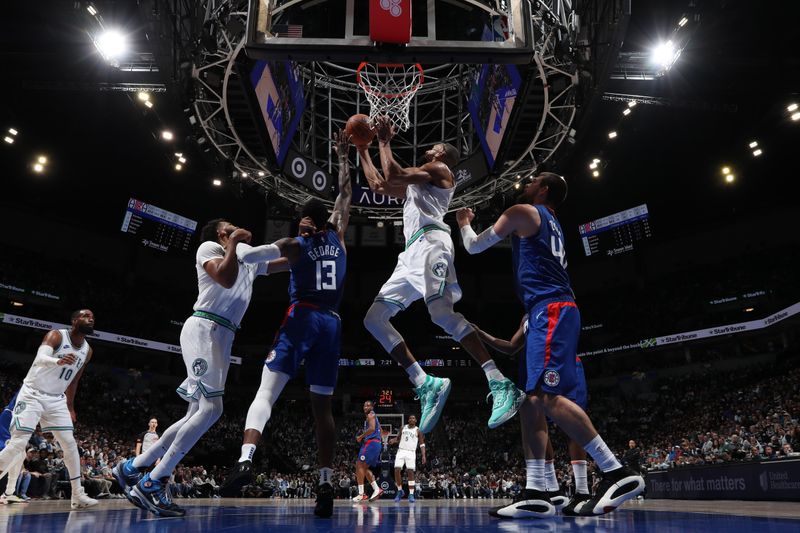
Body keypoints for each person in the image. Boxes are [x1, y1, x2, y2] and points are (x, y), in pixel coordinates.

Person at [456, 172, 644, 518]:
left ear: (543, 190)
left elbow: (473, 246)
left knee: (544, 397)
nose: (525, 183)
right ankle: (536, 491)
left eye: (532, 180)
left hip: (551, 308)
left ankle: (616, 471)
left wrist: (466, 222)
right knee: (531, 403)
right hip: (546, 309)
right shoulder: (551, 221)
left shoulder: (525, 211)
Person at [359, 115, 523, 434]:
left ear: (441, 155)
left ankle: (501, 382)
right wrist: (364, 149)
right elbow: (380, 183)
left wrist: (383, 141)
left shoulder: (440, 170)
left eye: (433, 147)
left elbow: (392, 171)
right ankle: (425, 382)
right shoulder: (419, 185)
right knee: (373, 319)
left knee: (440, 313)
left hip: (433, 243)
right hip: (411, 252)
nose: (429, 149)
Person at [220, 129, 354, 518]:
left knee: (266, 392)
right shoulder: (340, 240)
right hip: (333, 324)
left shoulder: (297, 244)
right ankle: (326, 482)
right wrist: (344, 157)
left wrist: (235, 244)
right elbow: (345, 198)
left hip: (302, 319)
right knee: (322, 409)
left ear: (305, 223)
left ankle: (246, 457)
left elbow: (257, 255)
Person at [113, 218, 283, 517]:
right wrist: (234, 244)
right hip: (205, 327)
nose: (238, 227)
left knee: (196, 412)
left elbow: (282, 261)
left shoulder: (245, 257)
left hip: (224, 334)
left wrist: (310, 250)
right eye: (231, 227)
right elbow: (225, 278)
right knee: (211, 410)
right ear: (222, 234)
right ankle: (155, 480)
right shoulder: (210, 248)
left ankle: (133, 468)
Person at [473, 315, 592, 514]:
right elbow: (511, 346)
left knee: (573, 426)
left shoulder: (551, 305)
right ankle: (553, 490)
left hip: (562, 364)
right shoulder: (526, 317)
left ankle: (582, 492)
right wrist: (480, 333)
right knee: (536, 421)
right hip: (534, 368)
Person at [0, 310, 98, 509]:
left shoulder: (87, 350)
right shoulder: (57, 335)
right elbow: (39, 358)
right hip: (33, 393)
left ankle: (77, 495)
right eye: (86, 316)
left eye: (93, 317)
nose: (91, 319)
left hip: (56, 400)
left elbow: (74, 380)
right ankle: (8, 492)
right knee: (18, 443)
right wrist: (57, 361)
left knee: (70, 444)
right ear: (74, 320)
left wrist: (70, 406)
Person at [389, 414, 425, 503]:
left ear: (416, 421)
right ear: (408, 420)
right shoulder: (403, 427)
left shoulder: (418, 431)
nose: (412, 419)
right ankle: (400, 490)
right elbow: (398, 438)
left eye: (413, 418)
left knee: (410, 472)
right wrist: (393, 440)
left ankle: (411, 494)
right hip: (401, 451)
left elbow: (422, 444)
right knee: (396, 469)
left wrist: (423, 455)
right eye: (410, 418)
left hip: (411, 452)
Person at [352, 400, 384, 502]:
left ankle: (361, 494)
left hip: (371, 443)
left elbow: (371, 429)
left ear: (372, 407)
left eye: (368, 405)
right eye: (364, 405)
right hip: (376, 444)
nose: (365, 407)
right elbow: (381, 430)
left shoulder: (370, 415)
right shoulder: (373, 416)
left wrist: (361, 437)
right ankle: (376, 489)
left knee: (359, 465)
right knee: (364, 468)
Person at [0, 390, 27, 504]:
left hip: (14, 419)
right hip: (11, 419)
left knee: (21, 454)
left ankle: (9, 493)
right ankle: (7, 493)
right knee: (16, 454)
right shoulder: (10, 413)